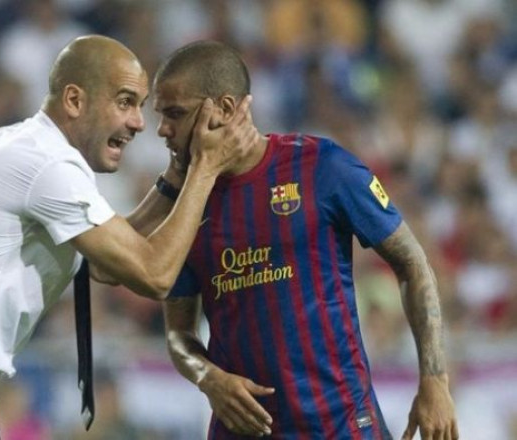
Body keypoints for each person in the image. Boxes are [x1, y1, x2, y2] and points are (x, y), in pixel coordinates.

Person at [0, 35, 257, 440]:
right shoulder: (47, 165)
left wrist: (176, 177)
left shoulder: (19, 144)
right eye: (125, 102)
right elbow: (154, 274)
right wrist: (205, 168)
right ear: (74, 100)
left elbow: (104, 265)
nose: (139, 122)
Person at [154, 41, 458, 439]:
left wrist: (434, 380)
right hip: (243, 431)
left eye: (175, 114)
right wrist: (207, 376)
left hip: (341, 426)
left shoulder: (323, 167)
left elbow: (413, 263)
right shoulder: (185, 207)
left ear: (224, 109)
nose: (162, 129)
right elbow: (179, 334)